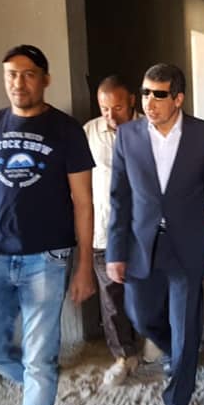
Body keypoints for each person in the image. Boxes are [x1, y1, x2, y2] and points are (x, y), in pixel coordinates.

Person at [0, 44, 96, 405]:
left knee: (40, 359)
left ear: (45, 80)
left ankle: (39, 398)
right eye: (11, 74)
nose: (18, 82)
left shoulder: (66, 131)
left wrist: (84, 266)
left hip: (47, 258)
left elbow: (83, 202)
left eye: (28, 74)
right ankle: (39, 383)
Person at [106, 63, 204, 405]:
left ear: (178, 99)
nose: (149, 102)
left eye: (159, 94)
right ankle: (177, 352)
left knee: (185, 327)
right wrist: (115, 252)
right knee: (141, 316)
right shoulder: (128, 136)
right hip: (143, 245)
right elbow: (119, 198)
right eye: (145, 93)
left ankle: (176, 404)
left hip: (188, 245)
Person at [83, 75, 143, 385]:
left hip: (143, 233)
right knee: (111, 300)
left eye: (117, 107)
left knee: (148, 293)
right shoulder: (89, 133)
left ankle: (155, 342)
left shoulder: (150, 128)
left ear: (131, 100)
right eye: (104, 109)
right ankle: (124, 355)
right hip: (103, 231)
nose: (111, 116)